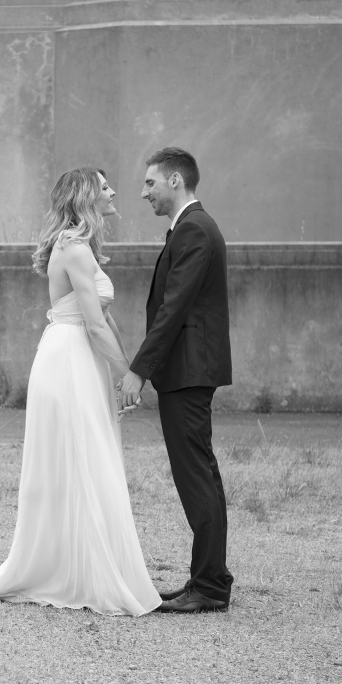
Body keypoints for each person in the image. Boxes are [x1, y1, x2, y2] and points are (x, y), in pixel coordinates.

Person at [0, 167, 161, 617]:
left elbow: (105, 320)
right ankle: (81, 575)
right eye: (105, 185)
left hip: (80, 356)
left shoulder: (82, 247)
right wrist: (130, 375)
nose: (114, 191)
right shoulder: (73, 249)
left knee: (89, 460)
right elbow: (92, 323)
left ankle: (85, 568)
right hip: (69, 358)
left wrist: (126, 369)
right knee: (82, 457)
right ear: (87, 196)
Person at [119, 147, 234, 613]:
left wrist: (138, 369)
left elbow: (174, 310)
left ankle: (208, 587)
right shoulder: (192, 228)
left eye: (150, 183)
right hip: (188, 370)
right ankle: (211, 577)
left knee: (196, 477)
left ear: (174, 181)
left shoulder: (194, 230)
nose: (144, 192)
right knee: (201, 473)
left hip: (187, 371)